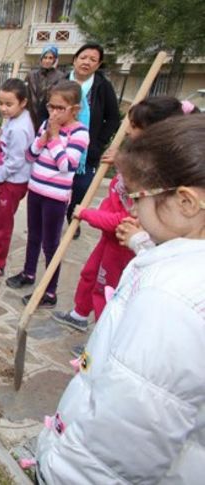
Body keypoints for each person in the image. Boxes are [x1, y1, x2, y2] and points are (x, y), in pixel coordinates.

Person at [35, 114, 205, 484]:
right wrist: (145, 244)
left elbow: (128, 433)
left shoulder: (168, 303)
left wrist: (58, 470)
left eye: (136, 197)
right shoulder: (189, 271)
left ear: (186, 203)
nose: (130, 208)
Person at [54, 96, 189, 331]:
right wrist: (120, 161)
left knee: (106, 288)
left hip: (122, 243)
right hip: (109, 239)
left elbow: (126, 220)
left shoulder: (153, 175)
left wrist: (87, 214)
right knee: (90, 273)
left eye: (134, 127)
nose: (127, 131)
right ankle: (79, 314)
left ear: (153, 131)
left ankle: (102, 332)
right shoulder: (136, 159)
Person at [5, 81, 90, 308]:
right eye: (51, 107)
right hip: (36, 189)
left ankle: (50, 292)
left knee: (51, 244)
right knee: (33, 236)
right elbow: (30, 155)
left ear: (75, 109)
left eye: (60, 108)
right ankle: (28, 273)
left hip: (55, 197)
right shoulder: (46, 125)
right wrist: (44, 138)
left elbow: (66, 165)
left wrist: (53, 139)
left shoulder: (80, 133)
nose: (53, 112)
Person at [0, 78, 35, 280]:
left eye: (9, 104)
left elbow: (16, 161)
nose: (3, 108)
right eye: (0, 103)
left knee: (2, 224)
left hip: (12, 182)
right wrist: (3, 132)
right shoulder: (14, 121)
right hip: (6, 179)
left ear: (23, 102)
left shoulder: (20, 128)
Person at [66, 43, 120, 239]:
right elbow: (43, 111)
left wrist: (98, 143)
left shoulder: (102, 87)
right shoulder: (61, 82)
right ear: (75, 59)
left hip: (87, 152)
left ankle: (73, 216)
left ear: (98, 65)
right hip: (60, 146)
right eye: (83, 57)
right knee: (56, 188)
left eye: (92, 60)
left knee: (81, 188)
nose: (86, 62)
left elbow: (113, 118)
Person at [25, 45, 66, 130]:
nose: (47, 61)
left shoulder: (60, 76)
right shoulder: (31, 75)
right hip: (31, 114)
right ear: (41, 58)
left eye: (50, 58)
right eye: (45, 57)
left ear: (54, 60)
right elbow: (25, 94)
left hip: (48, 115)